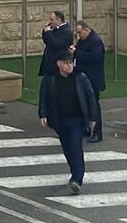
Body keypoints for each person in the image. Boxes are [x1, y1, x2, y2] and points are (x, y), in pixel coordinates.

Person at [37, 50, 100, 194]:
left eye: (71, 62)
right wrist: (42, 114)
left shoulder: (80, 77)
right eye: (66, 63)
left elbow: (90, 98)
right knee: (67, 148)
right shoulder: (50, 78)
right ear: (59, 64)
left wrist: (93, 118)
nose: (69, 66)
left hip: (77, 119)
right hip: (60, 119)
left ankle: (77, 178)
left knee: (76, 147)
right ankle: (74, 171)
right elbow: (44, 97)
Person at [72, 21, 107, 142]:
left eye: (80, 32)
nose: (78, 35)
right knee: (84, 104)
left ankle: (97, 132)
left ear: (86, 30)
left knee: (94, 105)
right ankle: (87, 129)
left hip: (93, 79)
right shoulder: (83, 40)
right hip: (84, 77)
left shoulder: (95, 41)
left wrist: (76, 52)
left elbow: (95, 58)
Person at [40, 11, 73, 77]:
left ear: (59, 20)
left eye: (52, 20)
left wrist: (48, 33)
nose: (50, 22)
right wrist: (45, 31)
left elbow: (56, 44)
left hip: (57, 65)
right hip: (49, 64)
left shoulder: (66, 31)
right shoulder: (55, 29)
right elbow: (47, 41)